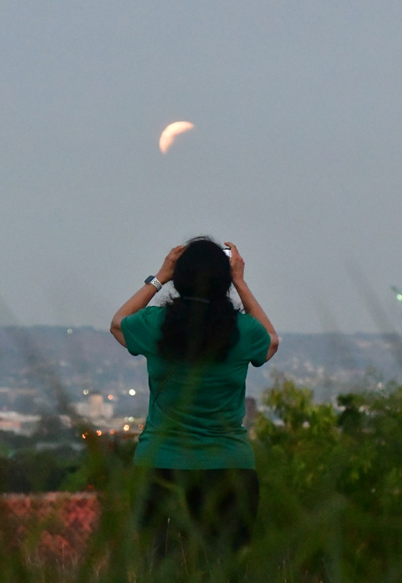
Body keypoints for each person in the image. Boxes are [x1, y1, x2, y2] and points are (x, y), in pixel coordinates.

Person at [110, 238, 279, 558]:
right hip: (229, 467)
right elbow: (270, 342)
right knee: (225, 578)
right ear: (224, 280)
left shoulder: (154, 325)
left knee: (158, 575)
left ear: (180, 276)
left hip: (160, 466)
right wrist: (240, 283)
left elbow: (118, 324)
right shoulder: (242, 331)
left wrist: (160, 277)